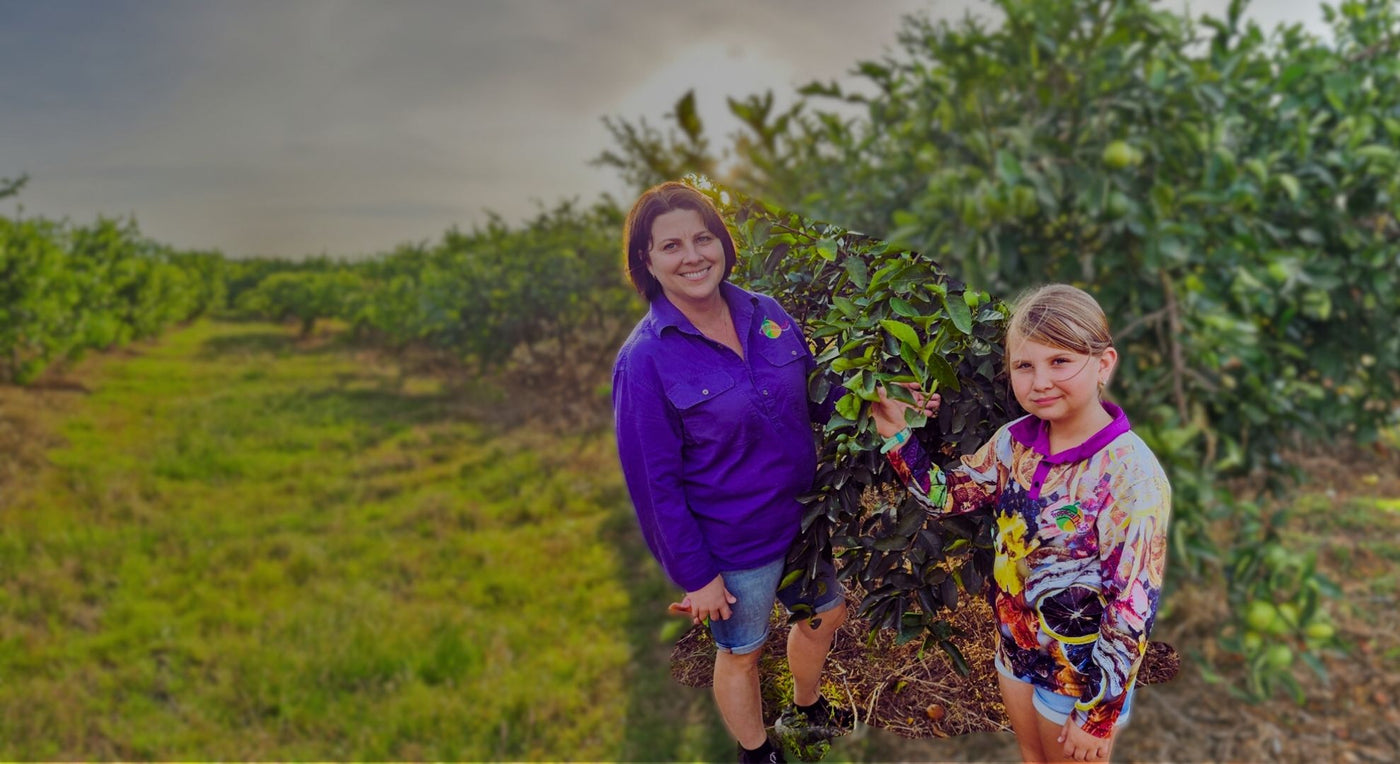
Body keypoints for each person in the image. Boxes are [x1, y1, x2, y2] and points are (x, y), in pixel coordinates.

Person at [870, 284, 1170, 763]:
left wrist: (1099, 714)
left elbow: (1133, 604)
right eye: (1024, 365)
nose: (1040, 381)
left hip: (1079, 674)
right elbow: (944, 495)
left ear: (1104, 364)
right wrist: (895, 432)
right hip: (1018, 648)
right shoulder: (1014, 443)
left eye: (1060, 361)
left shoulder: (1129, 474)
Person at [611, 181, 851, 764]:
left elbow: (819, 393)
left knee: (826, 612)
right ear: (646, 260)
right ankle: (756, 751)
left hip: (804, 518)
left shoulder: (764, 312)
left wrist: (880, 400)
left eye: (703, 237)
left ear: (722, 242)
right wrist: (696, 577)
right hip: (734, 543)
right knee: (742, 650)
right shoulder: (645, 360)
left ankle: (807, 704)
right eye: (671, 246)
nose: (692, 256)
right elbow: (654, 486)